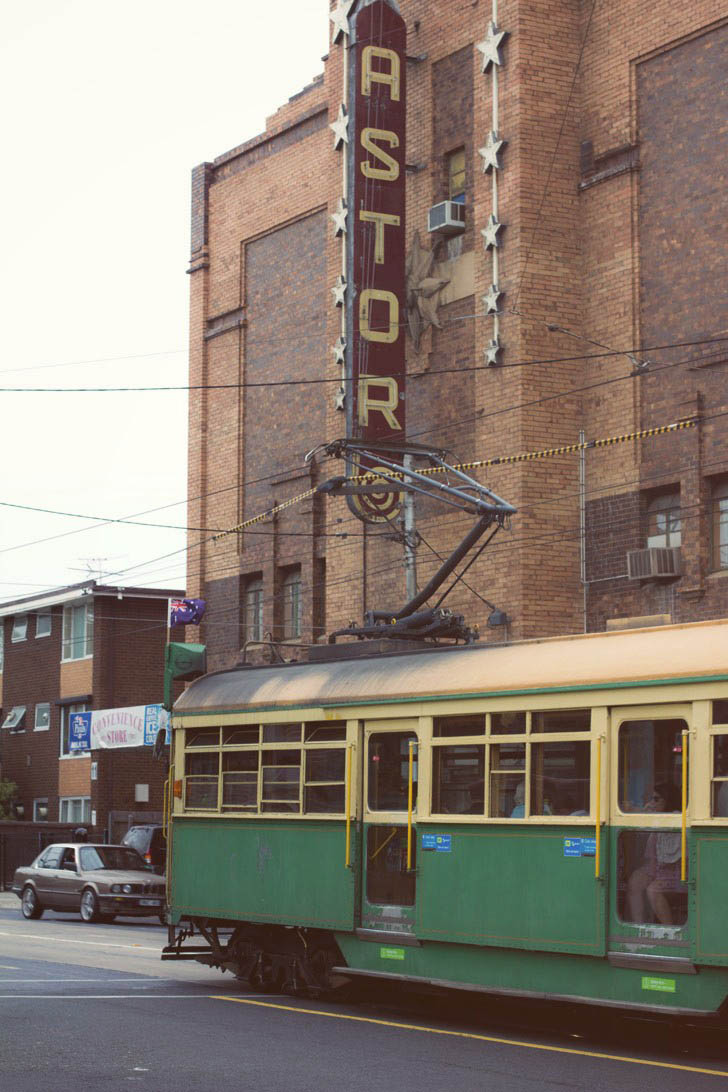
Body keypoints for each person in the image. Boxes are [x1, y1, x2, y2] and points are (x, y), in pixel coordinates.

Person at [626, 783, 683, 924]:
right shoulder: (657, 816)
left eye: (656, 799)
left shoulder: (675, 816)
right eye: (652, 799)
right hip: (656, 868)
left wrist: (639, 811)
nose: (652, 802)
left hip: (675, 870)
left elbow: (658, 820)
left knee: (653, 890)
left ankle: (670, 932)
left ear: (668, 800)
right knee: (635, 881)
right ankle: (639, 925)